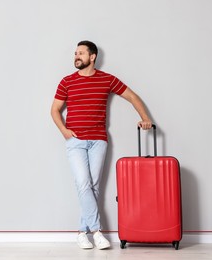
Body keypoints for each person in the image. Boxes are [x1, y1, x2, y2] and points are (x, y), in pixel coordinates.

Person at [50, 40, 152, 250]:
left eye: (80, 53)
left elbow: (132, 96)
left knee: (93, 187)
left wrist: (145, 118)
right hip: (75, 141)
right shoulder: (67, 81)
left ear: (92, 56)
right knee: (83, 184)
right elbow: (54, 110)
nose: (76, 56)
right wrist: (64, 131)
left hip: (99, 141)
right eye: (75, 53)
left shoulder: (107, 80)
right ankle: (97, 232)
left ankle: (81, 232)